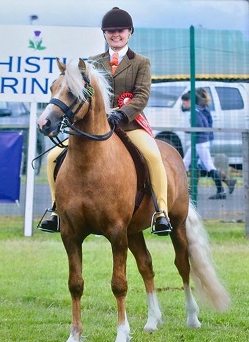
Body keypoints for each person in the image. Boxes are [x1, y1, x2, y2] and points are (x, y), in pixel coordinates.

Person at [39, 7, 172, 236]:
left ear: (129, 32)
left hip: (129, 124)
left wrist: (121, 114)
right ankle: (56, 210)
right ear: (104, 34)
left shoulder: (141, 63)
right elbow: (84, 94)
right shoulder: (91, 64)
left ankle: (161, 212)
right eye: (110, 31)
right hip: (96, 128)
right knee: (52, 157)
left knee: (152, 155)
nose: (115, 34)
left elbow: (141, 96)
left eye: (120, 30)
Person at [182, 88, 227, 200]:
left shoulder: (195, 112)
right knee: (184, 164)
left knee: (208, 166)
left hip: (200, 143)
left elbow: (200, 126)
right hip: (198, 142)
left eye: (184, 102)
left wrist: (188, 130)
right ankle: (184, 188)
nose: (183, 104)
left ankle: (221, 190)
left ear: (190, 102)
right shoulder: (198, 110)